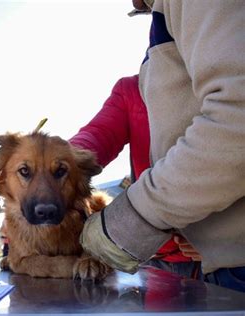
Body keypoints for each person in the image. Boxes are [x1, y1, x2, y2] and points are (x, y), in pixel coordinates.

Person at [80, 1, 245, 292]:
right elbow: (94, 139)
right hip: (160, 252)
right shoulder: (132, 89)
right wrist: (50, 159)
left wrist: (221, 242)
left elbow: (233, 128)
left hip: (215, 255)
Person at [70, 74, 201, 278]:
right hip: (155, 254)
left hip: (225, 261)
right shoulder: (132, 89)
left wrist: (225, 241)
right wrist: (57, 159)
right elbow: (98, 134)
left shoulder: (218, 78)